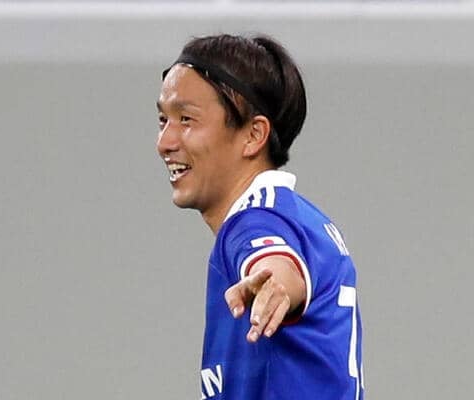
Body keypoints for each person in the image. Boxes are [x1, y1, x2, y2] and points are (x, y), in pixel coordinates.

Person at [156, 34, 364, 399]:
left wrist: (273, 281)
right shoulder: (305, 219)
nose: (165, 142)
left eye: (186, 120)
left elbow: (274, 262)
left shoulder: (254, 220)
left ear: (253, 135)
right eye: (163, 120)